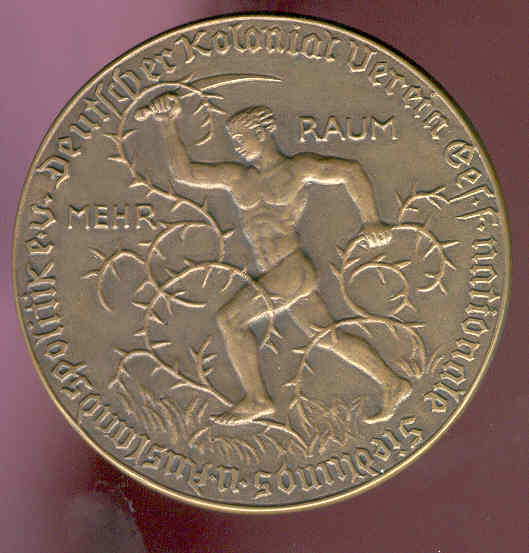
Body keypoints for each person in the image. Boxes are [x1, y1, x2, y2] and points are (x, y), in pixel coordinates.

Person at [144, 93, 411, 425]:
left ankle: (257, 399)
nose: (237, 147)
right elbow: (185, 174)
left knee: (231, 320)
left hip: (291, 268)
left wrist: (371, 221)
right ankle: (392, 382)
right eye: (233, 141)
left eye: (241, 139)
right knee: (328, 338)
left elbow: (351, 171)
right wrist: (166, 122)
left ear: (261, 133)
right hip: (273, 271)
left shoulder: (297, 169)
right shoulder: (237, 178)